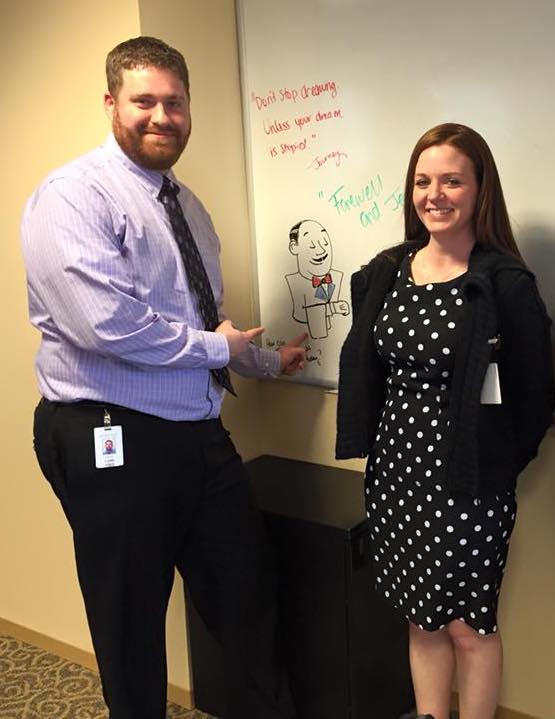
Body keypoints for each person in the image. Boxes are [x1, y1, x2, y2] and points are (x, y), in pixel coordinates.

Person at [21, 36, 305, 719]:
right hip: (110, 432)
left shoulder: (188, 208)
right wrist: (215, 346)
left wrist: (266, 361)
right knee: (130, 621)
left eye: (174, 102)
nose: (161, 116)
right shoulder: (73, 195)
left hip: (196, 432)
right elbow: (103, 324)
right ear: (111, 103)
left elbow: (204, 322)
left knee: (246, 594)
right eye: (144, 100)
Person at [336, 123, 554, 719]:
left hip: (471, 485)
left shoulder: (504, 284)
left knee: (469, 627)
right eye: (422, 181)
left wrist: (496, 465)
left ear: (480, 190)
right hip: (396, 479)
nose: (434, 195)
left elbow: (536, 396)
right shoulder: (388, 271)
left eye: (452, 181)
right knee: (421, 618)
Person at [285, 219, 350, 339]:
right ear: (294, 247)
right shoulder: (293, 281)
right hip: (308, 340)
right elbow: (299, 314)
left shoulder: (337, 276)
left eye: (325, 243)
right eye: (312, 245)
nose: (321, 250)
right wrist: (333, 308)